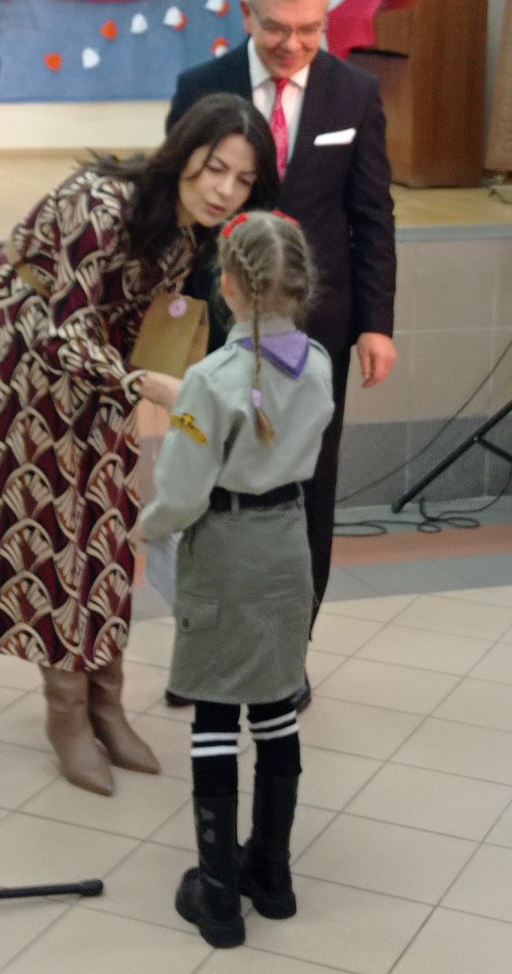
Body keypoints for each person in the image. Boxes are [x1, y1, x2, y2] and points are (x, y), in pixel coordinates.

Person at [0, 94, 279, 797]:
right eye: (215, 168)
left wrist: (184, 392)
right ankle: (65, 710)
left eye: (243, 180)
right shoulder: (101, 203)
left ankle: (106, 702)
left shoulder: (187, 234)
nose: (224, 190)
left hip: (99, 369)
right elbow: (65, 333)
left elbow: (148, 329)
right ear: (184, 153)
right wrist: (152, 386)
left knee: (106, 525)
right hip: (23, 359)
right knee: (53, 532)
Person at [167, 0, 397, 709]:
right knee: (207, 488)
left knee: (307, 492)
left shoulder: (355, 94)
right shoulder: (201, 88)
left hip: (317, 330)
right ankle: (205, 653)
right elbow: (178, 213)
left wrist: (377, 324)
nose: (292, 44)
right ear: (246, 14)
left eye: (310, 28)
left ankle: (286, 658)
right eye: (276, 27)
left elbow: (373, 216)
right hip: (219, 324)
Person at [140, 209, 335, 949]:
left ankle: (218, 894)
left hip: (224, 548)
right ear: (301, 287)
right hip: (287, 544)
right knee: (277, 703)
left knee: (217, 712)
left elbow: (184, 490)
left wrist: (147, 526)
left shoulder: (211, 381)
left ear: (227, 286)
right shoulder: (319, 364)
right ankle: (272, 876)